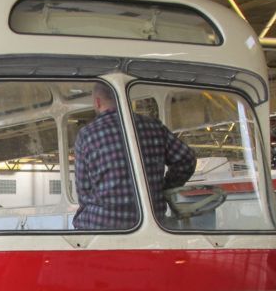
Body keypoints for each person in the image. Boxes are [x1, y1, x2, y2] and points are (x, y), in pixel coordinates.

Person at [73, 83, 197, 230]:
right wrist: (164, 189)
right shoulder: (154, 127)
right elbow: (186, 160)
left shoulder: (87, 134)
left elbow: (84, 189)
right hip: (153, 222)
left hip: (102, 224)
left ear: (98, 102)